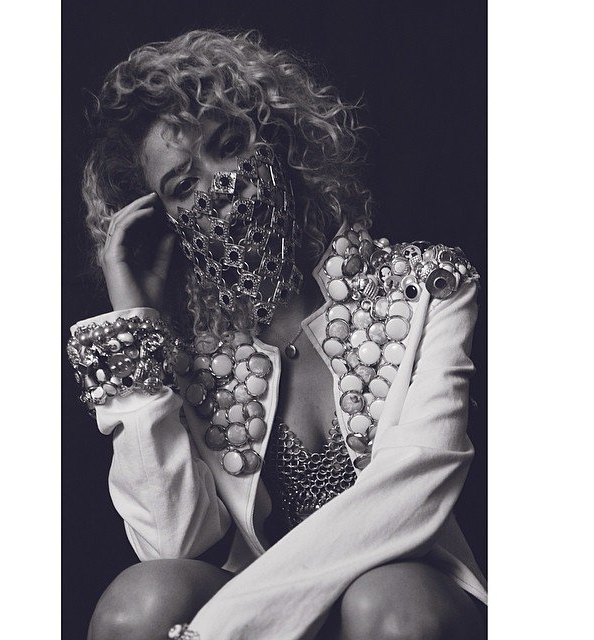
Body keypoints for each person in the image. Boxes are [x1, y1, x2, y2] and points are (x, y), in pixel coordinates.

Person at [66, 29, 487, 640]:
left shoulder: (424, 287)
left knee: (386, 608)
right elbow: (172, 542)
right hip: (258, 612)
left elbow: (415, 489)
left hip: (404, 598)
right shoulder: (189, 355)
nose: (221, 188)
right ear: (166, 221)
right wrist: (137, 330)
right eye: (183, 185)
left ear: (279, 142)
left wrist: (227, 627)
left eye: (229, 148)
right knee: (139, 606)